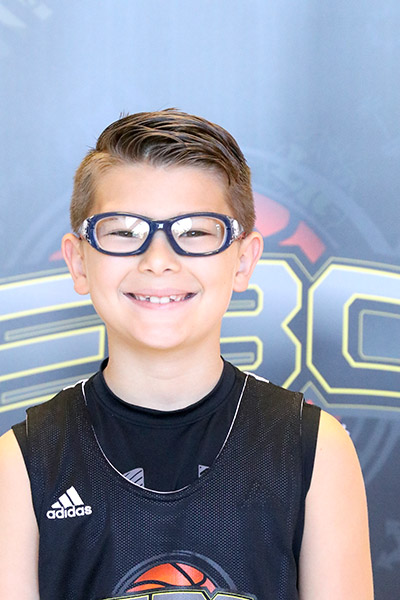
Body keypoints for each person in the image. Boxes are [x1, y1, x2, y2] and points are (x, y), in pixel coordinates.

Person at [0, 109, 373, 600]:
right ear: (78, 261)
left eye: (195, 232)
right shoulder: (23, 461)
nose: (158, 261)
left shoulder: (316, 450)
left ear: (243, 261)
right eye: (124, 232)